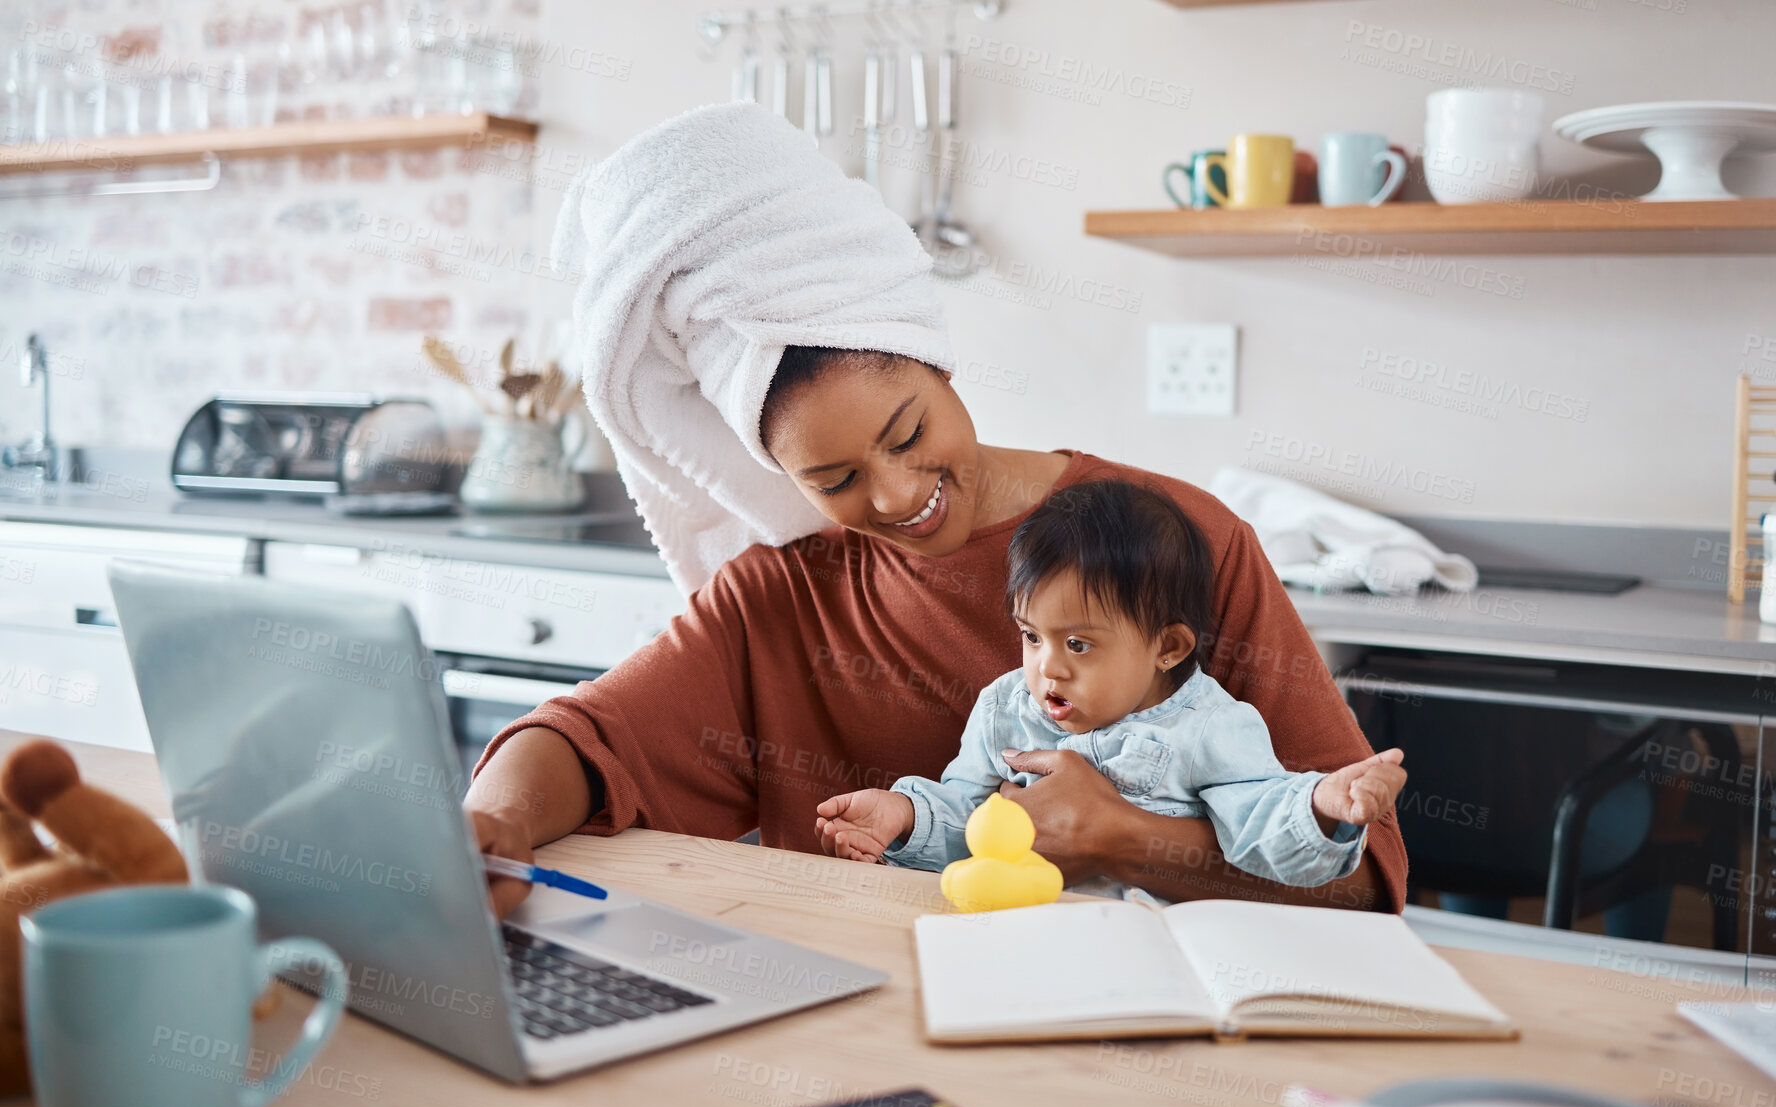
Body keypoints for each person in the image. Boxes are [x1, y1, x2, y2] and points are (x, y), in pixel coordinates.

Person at [465, 102, 1407, 919]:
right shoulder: (782, 597)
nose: (896, 495)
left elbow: (1366, 886)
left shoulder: (1175, 544)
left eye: (909, 433)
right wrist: (493, 824)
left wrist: (1124, 838)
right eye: (831, 481)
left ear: (938, 363)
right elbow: (582, 738)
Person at [814, 480, 1408, 892]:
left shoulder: (1208, 727)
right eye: (1030, 636)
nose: (1048, 667)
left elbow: (1259, 821)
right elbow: (968, 822)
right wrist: (903, 817)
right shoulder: (1005, 710)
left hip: (1152, 957)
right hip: (1029, 941)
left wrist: (1320, 804)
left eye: (1078, 644)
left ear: (1167, 647)